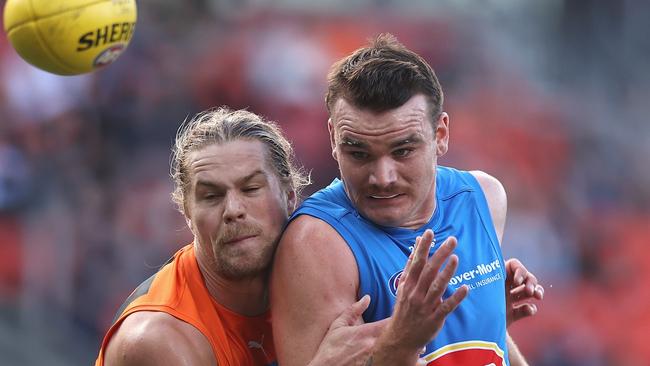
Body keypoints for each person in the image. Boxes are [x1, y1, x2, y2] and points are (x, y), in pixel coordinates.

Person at [270, 33, 544, 366]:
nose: (382, 178)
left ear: (440, 135)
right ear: (333, 138)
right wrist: (397, 346)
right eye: (358, 153)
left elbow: (489, 347)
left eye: (403, 151)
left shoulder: (484, 198)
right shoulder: (317, 245)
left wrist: (492, 317)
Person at [94, 108, 389, 365]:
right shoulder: (159, 339)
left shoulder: (327, 272)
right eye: (211, 196)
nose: (233, 210)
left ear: (289, 196)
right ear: (187, 212)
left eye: (250, 189)